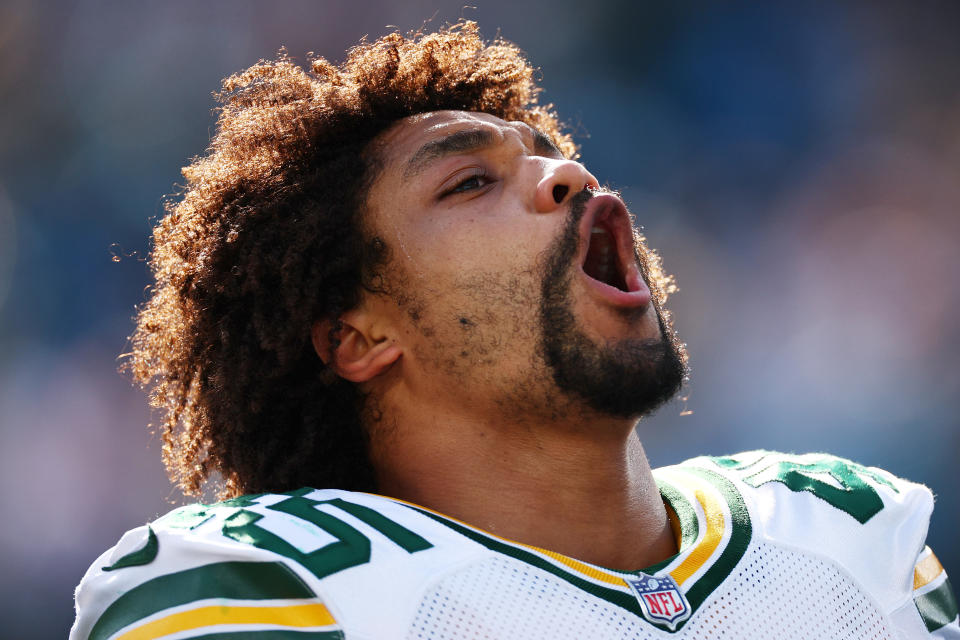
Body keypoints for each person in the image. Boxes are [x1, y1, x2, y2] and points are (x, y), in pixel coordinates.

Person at [71, 22, 957, 639]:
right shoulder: (271, 587)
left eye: (545, 149)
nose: (565, 171)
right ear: (357, 337)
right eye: (468, 183)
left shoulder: (844, 526)